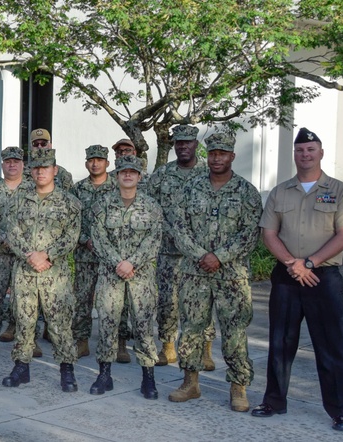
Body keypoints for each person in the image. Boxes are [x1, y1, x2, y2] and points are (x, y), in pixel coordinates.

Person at [251, 127, 343, 432]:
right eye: (300, 150)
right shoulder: (280, 191)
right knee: (280, 343)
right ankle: (274, 401)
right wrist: (292, 263)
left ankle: (340, 411)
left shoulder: (340, 190)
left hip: (323, 278)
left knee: (331, 345)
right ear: (294, 154)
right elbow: (268, 233)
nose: (305, 154)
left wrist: (310, 263)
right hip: (287, 276)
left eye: (311, 149)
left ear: (321, 152)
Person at [166, 132, 262, 411]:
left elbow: (250, 234)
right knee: (192, 329)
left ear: (232, 156)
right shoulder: (190, 188)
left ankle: (238, 387)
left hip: (231, 276)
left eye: (222, 153)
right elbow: (178, 228)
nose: (217, 158)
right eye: (213, 153)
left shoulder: (246, 192)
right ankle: (190, 382)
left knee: (235, 331)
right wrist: (201, 256)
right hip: (194, 274)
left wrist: (218, 257)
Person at [1, 148, 81, 391]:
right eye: (36, 168)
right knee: (24, 321)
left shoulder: (69, 203)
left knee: (60, 324)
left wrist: (46, 254)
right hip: (25, 272)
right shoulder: (18, 199)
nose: (40, 172)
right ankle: (21, 368)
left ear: (54, 170)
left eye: (45, 167)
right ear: (31, 171)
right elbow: (10, 232)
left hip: (54, 274)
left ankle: (67, 370)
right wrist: (30, 255)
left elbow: (72, 236)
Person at [89, 154, 162, 399]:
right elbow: (98, 238)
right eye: (123, 172)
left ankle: (148, 378)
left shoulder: (151, 206)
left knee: (143, 327)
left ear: (139, 176)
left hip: (141, 278)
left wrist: (132, 263)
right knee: (108, 325)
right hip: (111, 276)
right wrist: (118, 263)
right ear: (116, 175)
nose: (128, 175)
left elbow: (154, 240)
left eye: (132, 172)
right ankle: (104, 374)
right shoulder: (104, 204)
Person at [145, 125, 215, 369]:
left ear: (196, 144)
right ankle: (168, 347)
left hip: (199, 253)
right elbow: (146, 203)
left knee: (201, 302)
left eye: (188, 142)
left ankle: (205, 350)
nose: (183, 146)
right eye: (179, 142)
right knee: (167, 302)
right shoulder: (163, 174)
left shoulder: (209, 173)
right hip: (168, 252)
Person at [69, 145, 116, 358]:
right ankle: (81, 340)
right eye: (91, 160)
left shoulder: (117, 188)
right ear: (86, 163)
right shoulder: (78, 190)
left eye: (99, 159)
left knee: (111, 302)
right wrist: (84, 240)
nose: (95, 163)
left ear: (107, 163)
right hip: (84, 256)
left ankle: (115, 343)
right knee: (82, 300)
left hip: (111, 258)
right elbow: (69, 223)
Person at [0, 146, 28, 344]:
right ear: (2, 164)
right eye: (8, 161)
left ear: (23, 164)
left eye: (16, 161)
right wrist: (2, 237)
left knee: (23, 296)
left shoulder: (32, 190)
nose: (12, 164)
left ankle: (24, 336)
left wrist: (18, 242)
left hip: (23, 255)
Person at [107, 138, 139, 363]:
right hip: (112, 259)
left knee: (136, 309)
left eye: (128, 151)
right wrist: (117, 260)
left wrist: (134, 260)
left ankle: (129, 344)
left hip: (138, 263)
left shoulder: (143, 187)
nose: (124, 154)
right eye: (120, 152)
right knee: (112, 308)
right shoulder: (109, 186)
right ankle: (115, 345)